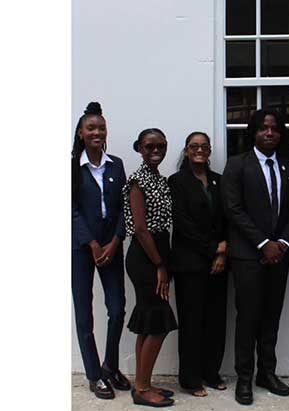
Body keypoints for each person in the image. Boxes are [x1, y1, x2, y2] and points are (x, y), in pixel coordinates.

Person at [222, 109, 289, 406]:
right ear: (253, 132)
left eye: (275, 129)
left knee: (271, 317)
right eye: (263, 128)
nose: (270, 133)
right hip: (247, 256)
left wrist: (281, 242)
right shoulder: (237, 165)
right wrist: (262, 243)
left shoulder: (288, 167)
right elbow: (233, 209)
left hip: (279, 255)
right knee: (248, 318)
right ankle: (244, 377)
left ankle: (267, 373)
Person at [71, 101, 131, 399]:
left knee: (117, 308)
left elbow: (123, 208)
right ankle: (94, 375)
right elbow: (71, 210)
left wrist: (115, 240)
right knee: (84, 315)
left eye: (101, 127)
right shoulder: (70, 167)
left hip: (112, 246)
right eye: (91, 127)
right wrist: (92, 243)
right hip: (82, 249)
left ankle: (110, 365)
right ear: (81, 133)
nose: (97, 132)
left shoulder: (116, 164)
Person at [168, 132, 229, 398]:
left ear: (210, 150)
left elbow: (226, 217)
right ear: (186, 150)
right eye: (194, 146)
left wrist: (223, 251)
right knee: (192, 322)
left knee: (216, 321)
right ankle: (191, 379)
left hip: (219, 263)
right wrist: (212, 249)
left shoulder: (219, 180)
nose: (200, 150)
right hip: (189, 263)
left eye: (204, 146)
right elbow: (183, 224)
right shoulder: (177, 181)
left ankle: (211, 372)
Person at [123, 128, 178, 407]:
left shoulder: (158, 179)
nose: (155, 150)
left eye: (160, 146)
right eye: (149, 146)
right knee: (158, 320)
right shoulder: (137, 181)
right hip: (146, 256)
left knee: (148, 320)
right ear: (139, 148)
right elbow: (142, 229)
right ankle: (142, 389)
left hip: (157, 251)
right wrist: (160, 265)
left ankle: (142, 382)